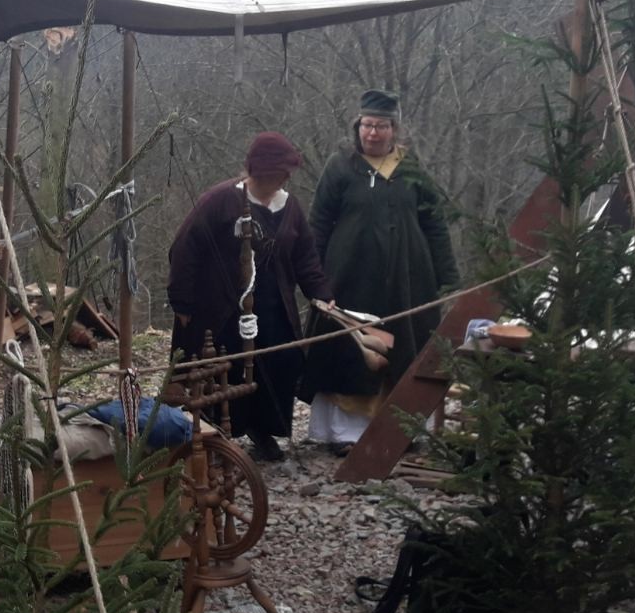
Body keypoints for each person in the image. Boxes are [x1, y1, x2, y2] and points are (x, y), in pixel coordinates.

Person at [300, 89, 458, 455]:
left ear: (394, 130)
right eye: (367, 125)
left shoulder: (412, 169)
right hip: (350, 278)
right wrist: (315, 281)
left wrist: (447, 277)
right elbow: (318, 224)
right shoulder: (340, 167)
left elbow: (435, 224)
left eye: (381, 126)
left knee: (406, 348)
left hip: (409, 281)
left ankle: (402, 428)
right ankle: (346, 433)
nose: (372, 133)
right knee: (351, 352)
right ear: (358, 127)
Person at [168, 132, 333, 461]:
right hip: (222, 306)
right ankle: (217, 437)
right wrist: (182, 301)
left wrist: (320, 293)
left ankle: (262, 430)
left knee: (278, 363)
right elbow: (185, 249)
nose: (283, 178)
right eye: (276, 172)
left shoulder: (290, 207)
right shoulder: (219, 201)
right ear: (257, 171)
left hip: (273, 303)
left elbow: (305, 257)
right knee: (221, 367)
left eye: (285, 172)